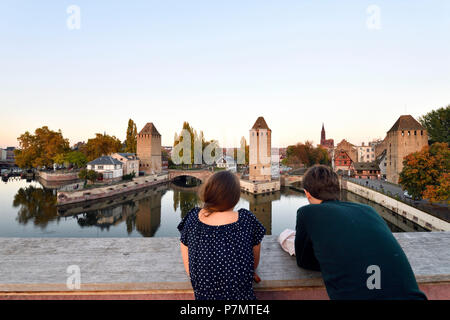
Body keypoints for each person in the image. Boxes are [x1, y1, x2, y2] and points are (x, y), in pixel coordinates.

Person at [295, 165, 427, 300]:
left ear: (307, 193)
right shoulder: (368, 210)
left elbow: (305, 261)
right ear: (337, 189)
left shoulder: (308, 213)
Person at [177, 170, 266, 300]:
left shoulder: (192, 219)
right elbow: (254, 263)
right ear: (235, 197)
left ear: (207, 192)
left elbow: (189, 268)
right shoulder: (247, 220)